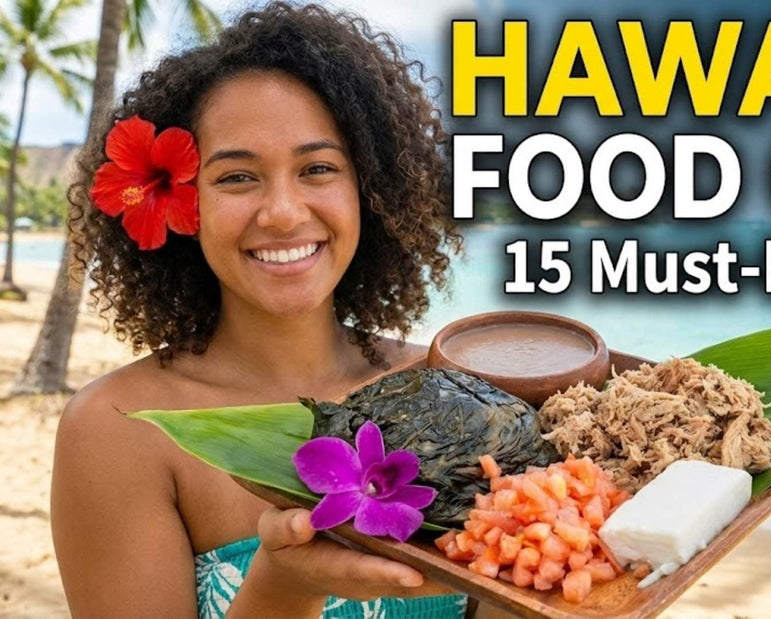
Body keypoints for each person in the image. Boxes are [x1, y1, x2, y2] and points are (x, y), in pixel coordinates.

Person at [50, 3, 467, 617]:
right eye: (237, 178)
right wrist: (285, 586)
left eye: (318, 168)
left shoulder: (447, 392)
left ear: (371, 192)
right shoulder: (118, 430)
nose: (282, 212)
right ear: (182, 206)